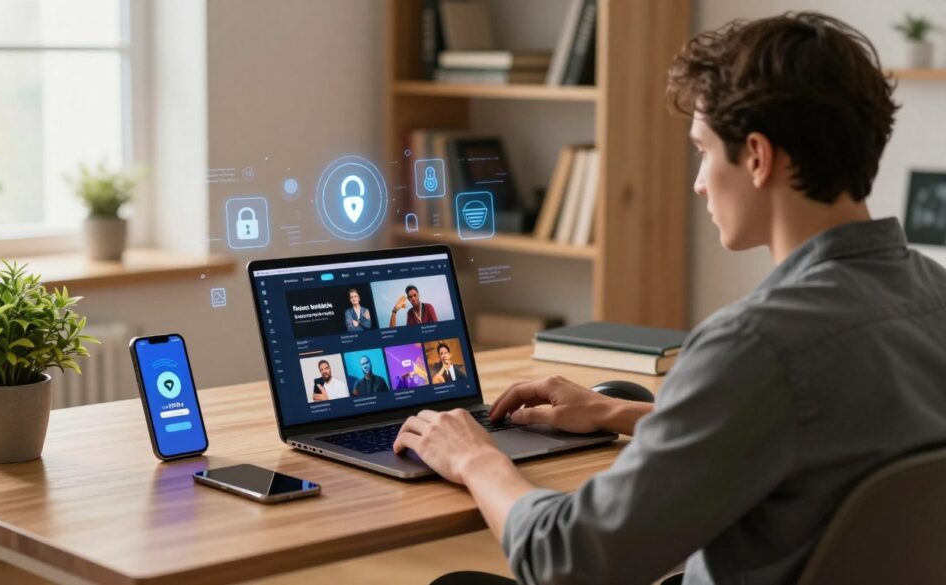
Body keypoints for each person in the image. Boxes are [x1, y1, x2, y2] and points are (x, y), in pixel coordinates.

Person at [394, 12, 946, 585]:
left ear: (757, 157)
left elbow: (569, 561)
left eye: (704, 151)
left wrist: (475, 457)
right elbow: (817, 438)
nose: (698, 181)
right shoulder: (935, 297)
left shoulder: (754, 346)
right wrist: (620, 412)